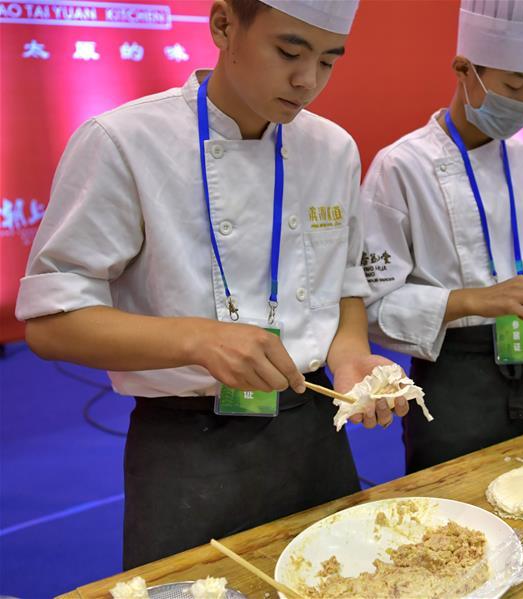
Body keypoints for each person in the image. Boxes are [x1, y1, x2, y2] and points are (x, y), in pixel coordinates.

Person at [15, 0, 406, 568]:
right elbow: (52, 323)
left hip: (311, 427)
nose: (307, 80)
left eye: (328, 61)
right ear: (224, 25)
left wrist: (349, 355)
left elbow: (344, 278)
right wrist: (198, 339)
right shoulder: (123, 141)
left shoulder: (333, 148)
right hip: (185, 444)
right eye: (289, 52)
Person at [361, 0, 523, 473]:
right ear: (464, 70)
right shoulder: (401, 168)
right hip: (452, 378)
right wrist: (472, 301)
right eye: (514, 86)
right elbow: (372, 306)